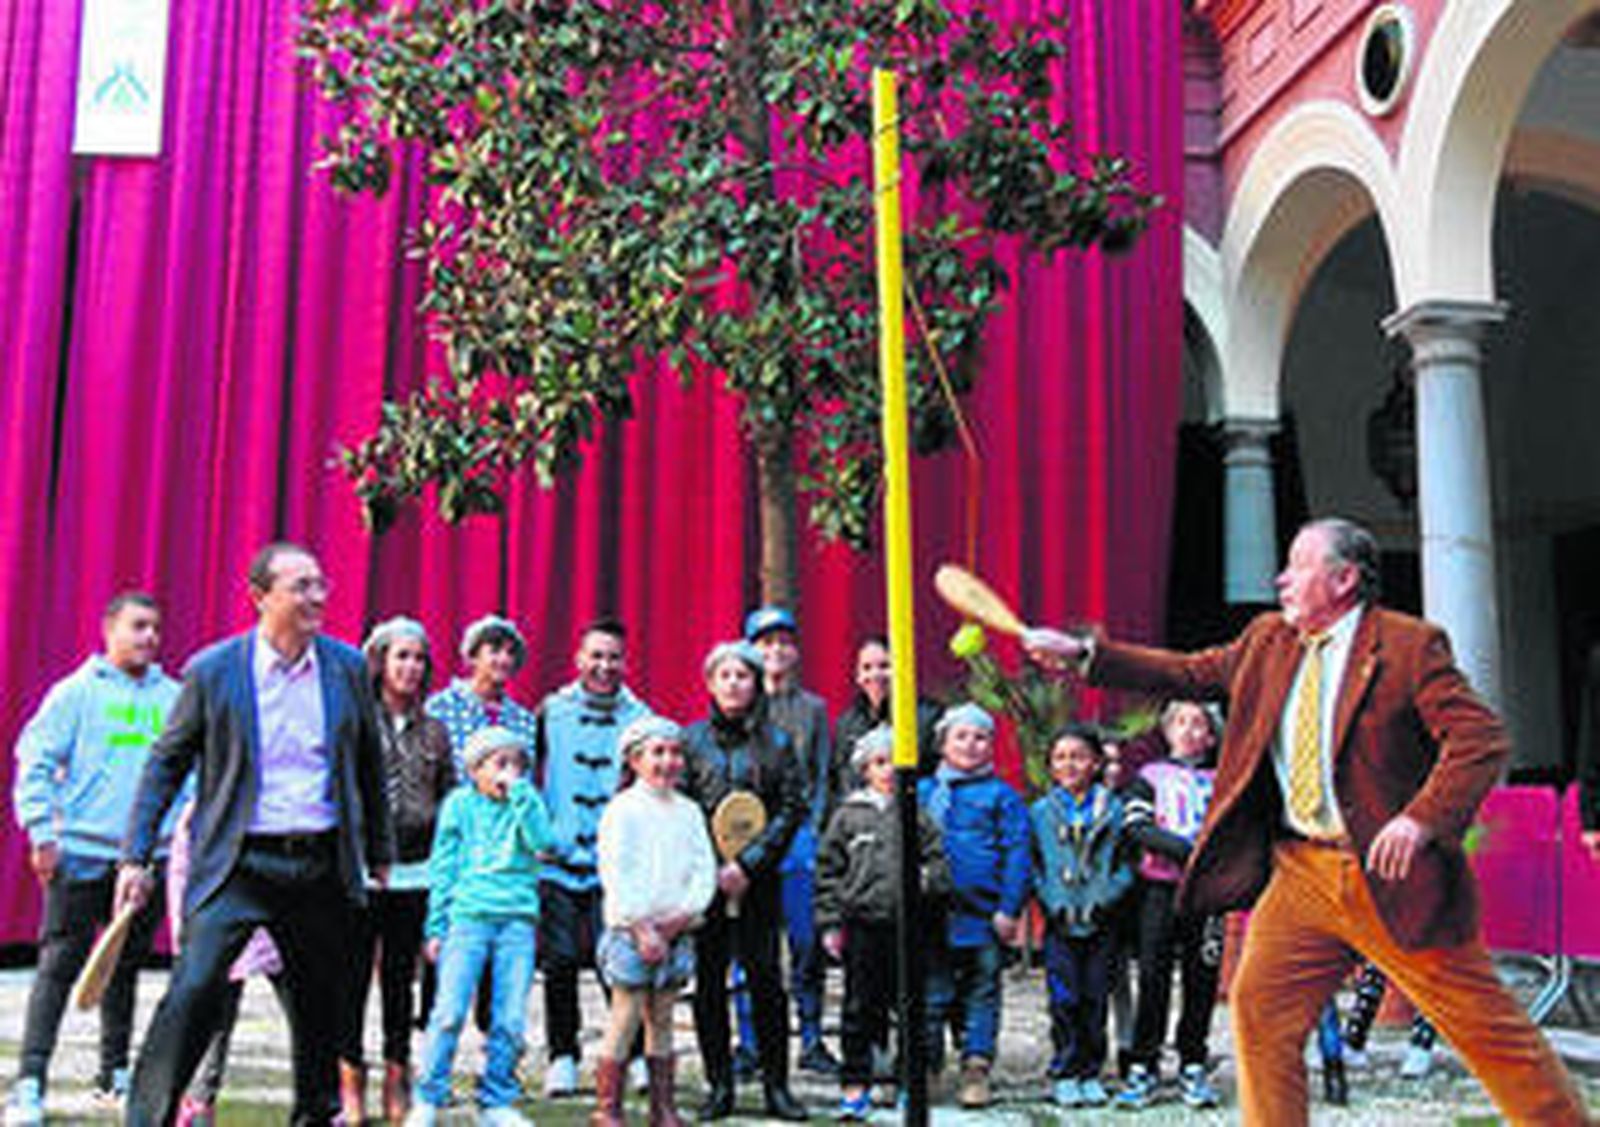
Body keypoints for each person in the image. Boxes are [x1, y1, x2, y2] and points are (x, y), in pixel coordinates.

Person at [1024, 516, 1589, 1125]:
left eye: (1298, 566)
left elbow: (1479, 739)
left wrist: (1421, 819)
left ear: (1344, 579)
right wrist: (1086, 655)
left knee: (1488, 1031)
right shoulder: (1267, 640)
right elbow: (1186, 673)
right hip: (1300, 872)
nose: (1281, 579)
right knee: (1261, 1011)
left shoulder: (1407, 646)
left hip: (1388, 875)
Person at [115, 543, 395, 1126]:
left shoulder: (345, 668)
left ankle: (314, 1117)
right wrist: (135, 856)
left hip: (318, 862)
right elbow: (165, 763)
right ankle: (149, 1118)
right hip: (237, 863)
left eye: (321, 584)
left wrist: (379, 854)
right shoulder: (215, 671)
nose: (317, 597)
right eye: (301, 586)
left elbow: (370, 763)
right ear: (260, 597)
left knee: (322, 1009)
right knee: (194, 989)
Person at [7, 592, 180, 1125]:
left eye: (155, 628)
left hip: (145, 859)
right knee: (59, 966)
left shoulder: (174, 696)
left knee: (123, 968)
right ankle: (30, 1083)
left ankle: (113, 1075)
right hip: (81, 853)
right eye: (138, 626)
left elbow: (189, 774)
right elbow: (34, 759)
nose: (149, 637)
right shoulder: (76, 694)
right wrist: (42, 831)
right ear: (109, 630)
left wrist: (169, 843)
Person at [678, 641, 809, 1121]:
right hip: (704, 883)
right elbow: (683, 809)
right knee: (709, 983)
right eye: (725, 675)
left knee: (766, 982)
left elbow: (792, 806)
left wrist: (748, 864)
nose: (734, 683)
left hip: (760, 883)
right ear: (710, 683)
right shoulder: (690, 743)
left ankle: (777, 1087)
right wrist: (714, 866)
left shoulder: (777, 743)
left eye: (743, 675)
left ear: (757, 684)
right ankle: (719, 1087)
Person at [338, 617, 456, 1123]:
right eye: (401, 656)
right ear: (380, 662)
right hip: (362, 869)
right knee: (351, 978)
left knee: (400, 983)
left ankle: (397, 1073)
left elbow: (450, 798)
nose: (410, 666)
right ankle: (348, 1083)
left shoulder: (435, 730)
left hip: (416, 871)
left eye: (419, 658)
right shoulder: (356, 720)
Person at [409, 726, 553, 1127]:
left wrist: (523, 796)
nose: (509, 772)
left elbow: (544, 841)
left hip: (516, 921)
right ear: (475, 770)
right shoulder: (458, 805)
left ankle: (496, 1098)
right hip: (467, 919)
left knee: (508, 1015)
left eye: (517, 764)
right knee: (449, 1011)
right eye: (499, 763)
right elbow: (444, 866)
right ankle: (429, 1095)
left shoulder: (528, 802)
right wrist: (436, 926)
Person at [534, 617, 652, 1098]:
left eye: (613, 657)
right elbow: (525, 767)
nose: (604, 666)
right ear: (579, 659)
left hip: (615, 862)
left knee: (618, 963)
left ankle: (635, 1054)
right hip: (558, 857)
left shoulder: (640, 716)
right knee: (560, 960)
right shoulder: (552, 710)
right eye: (595, 656)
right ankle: (563, 1055)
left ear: (625, 662)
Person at [815, 726, 950, 1120]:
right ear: (864, 768)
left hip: (909, 926)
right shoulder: (847, 817)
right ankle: (855, 1082)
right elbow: (827, 872)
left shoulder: (916, 814)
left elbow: (939, 862)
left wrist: (923, 881)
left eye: (893, 760)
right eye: (878, 762)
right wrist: (830, 923)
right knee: (858, 1008)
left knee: (911, 1006)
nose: (887, 769)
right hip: (861, 925)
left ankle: (910, 1083)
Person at [591, 716, 717, 1127]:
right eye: (657, 753)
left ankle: (663, 1107)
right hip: (632, 933)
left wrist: (683, 915)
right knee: (626, 1014)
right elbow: (616, 871)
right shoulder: (622, 810)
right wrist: (640, 925)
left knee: (662, 1016)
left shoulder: (689, 812)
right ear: (634, 759)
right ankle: (608, 1108)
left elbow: (704, 869)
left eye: (675, 752)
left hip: (677, 929)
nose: (668, 761)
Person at [917, 703, 1029, 1109]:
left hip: (984, 917)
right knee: (931, 993)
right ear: (943, 744)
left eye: (980, 737)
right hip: (932, 916)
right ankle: (926, 1066)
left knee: (982, 993)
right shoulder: (925, 792)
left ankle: (976, 1067)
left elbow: (1018, 854)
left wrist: (1010, 908)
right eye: (960, 736)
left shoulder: (1002, 797)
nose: (970, 744)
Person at [1115, 700, 1224, 1111]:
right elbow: (1136, 824)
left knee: (1202, 979)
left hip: (1208, 894)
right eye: (1181, 722)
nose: (1190, 730)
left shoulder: (1222, 778)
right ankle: (1143, 1063)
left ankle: (1193, 1061)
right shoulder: (1149, 777)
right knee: (1154, 976)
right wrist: (1184, 850)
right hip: (1160, 890)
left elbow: (1235, 826)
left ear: (1211, 736)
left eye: (1199, 724)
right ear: (1167, 730)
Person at [742, 605, 837, 1076]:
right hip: (751, 841)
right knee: (751, 947)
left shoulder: (813, 709)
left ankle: (813, 1037)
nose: (775, 651)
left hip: (799, 839)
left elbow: (821, 776)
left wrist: (812, 833)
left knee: (805, 943)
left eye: (783, 642)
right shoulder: (739, 702)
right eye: (765, 642)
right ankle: (751, 1042)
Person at [1029, 724, 1137, 1110]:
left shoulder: (1113, 809)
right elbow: (1034, 865)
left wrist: (1108, 897)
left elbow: (1129, 864)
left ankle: (1091, 1070)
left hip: (1101, 919)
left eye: (1078, 756)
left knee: (1095, 997)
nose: (1069, 764)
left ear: (1095, 763)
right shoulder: (1041, 812)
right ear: (1051, 766)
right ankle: (1064, 1070)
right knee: (1064, 999)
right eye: (1060, 757)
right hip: (1061, 920)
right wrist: (1048, 900)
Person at [165, 801, 290, 1127]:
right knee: (213, 1018)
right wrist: (184, 928)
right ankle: (199, 1103)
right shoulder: (201, 807)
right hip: (220, 923)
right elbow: (182, 867)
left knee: (310, 1016)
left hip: (282, 924)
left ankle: (324, 1099)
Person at [426, 614, 539, 779]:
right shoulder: (440, 708)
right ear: (473, 657)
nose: (504, 659)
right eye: (495, 651)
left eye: (510, 653)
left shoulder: (523, 720)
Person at [831, 635, 941, 797]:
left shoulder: (929, 717)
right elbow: (840, 779)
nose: (875, 675)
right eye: (866, 668)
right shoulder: (846, 723)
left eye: (884, 666)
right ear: (858, 677)